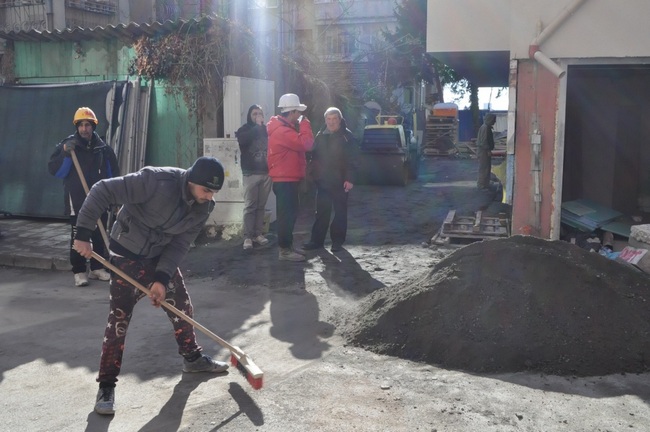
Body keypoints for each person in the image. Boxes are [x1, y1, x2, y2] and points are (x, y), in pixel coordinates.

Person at [72, 156, 230, 416]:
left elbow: (180, 243)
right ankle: (107, 386)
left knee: (182, 305)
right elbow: (102, 189)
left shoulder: (204, 206)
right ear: (191, 181)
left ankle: (192, 359)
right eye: (207, 190)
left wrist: (162, 278)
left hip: (158, 256)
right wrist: (83, 234)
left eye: (214, 192)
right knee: (119, 320)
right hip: (126, 255)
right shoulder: (156, 180)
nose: (210, 196)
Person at [48, 107, 120, 287]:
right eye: (81, 125)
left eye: (88, 125)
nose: (84, 129)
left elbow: (114, 176)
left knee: (99, 232)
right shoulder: (68, 146)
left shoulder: (103, 149)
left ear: (93, 126)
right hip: (77, 199)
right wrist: (65, 154)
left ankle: (97, 267)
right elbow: (56, 172)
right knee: (78, 236)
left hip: (99, 199)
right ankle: (79, 271)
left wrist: (115, 199)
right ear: (76, 127)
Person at [267, 93, 314, 262]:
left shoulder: (282, 129)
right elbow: (307, 144)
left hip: (286, 180)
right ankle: (285, 250)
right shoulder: (283, 132)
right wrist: (306, 125)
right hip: (286, 181)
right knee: (287, 216)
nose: (300, 116)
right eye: (298, 112)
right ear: (292, 112)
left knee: (289, 214)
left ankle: (287, 247)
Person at [302, 107, 357, 252]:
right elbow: (314, 156)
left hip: (341, 182)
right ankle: (316, 241)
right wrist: (313, 173)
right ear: (325, 120)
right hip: (323, 181)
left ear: (340, 120)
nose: (331, 122)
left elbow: (354, 160)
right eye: (329, 119)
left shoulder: (348, 137)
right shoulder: (320, 136)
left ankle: (337, 242)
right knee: (321, 212)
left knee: (340, 213)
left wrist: (349, 179)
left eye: (334, 119)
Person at [236, 104, 272, 250]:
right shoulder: (244, 130)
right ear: (249, 115)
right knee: (250, 206)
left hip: (266, 173)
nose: (258, 116)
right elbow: (243, 141)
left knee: (261, 206)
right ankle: (247, 237)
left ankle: (258, 234)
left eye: (260, 113)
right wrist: (257, 127)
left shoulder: (267, 130)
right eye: (254, 113)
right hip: (250, 173)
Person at [476, 113, 496, 190]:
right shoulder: (485, 128)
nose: (494, 122)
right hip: (483, 151)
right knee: (484, 167)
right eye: (494, 120)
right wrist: (488, 150)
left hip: (484, 150)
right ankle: (481, 184)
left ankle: (485, 183)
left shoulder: (486, 127)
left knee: (486, 167)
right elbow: (484, 141)